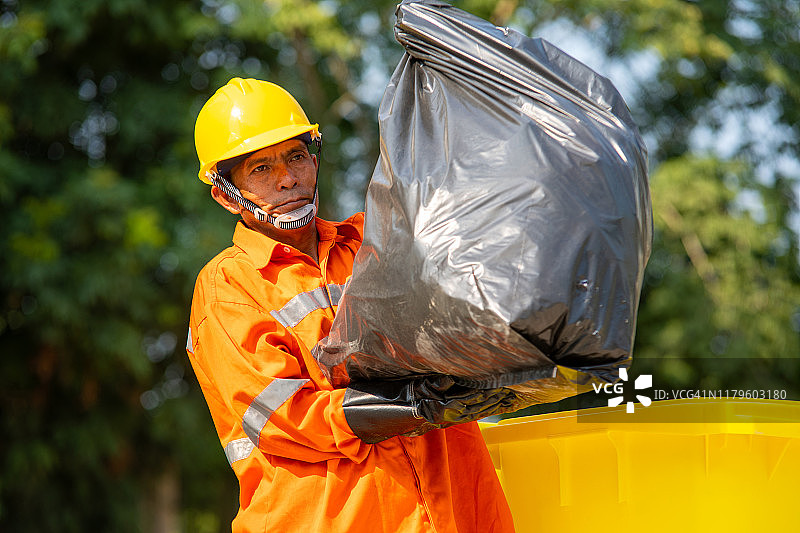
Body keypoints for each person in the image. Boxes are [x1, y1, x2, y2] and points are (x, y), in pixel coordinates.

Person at [186, 77, 517, 533]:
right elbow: (285, 418)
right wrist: (409, 405)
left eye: (296, 156)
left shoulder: (373, 242)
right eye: (260, 169)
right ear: (225, 193)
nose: (288, 179)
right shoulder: (227, 288)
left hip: (458, 514)